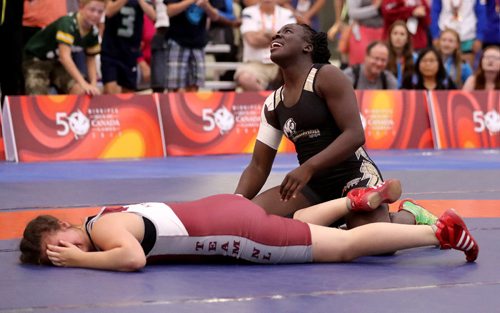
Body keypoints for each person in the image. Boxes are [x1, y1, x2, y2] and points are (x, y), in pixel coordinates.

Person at [234, 23, 436, 230]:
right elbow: (258, 166)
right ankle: (338, 222)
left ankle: (412, 213)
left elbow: (355, 134)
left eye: (287, 31)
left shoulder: (327, 76)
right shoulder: (273, 104)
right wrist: (236, 201)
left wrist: (308, 167)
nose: (277, 34)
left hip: (354, 176)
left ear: (307, 47)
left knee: (373, 239)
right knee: (248, 218)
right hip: (312, 186)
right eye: (278, 32)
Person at [19, 180, 479, 271]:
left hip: (237, 231)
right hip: (224, 209)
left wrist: (80, 260)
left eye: (56, 246)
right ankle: (350, 199)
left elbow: (134, 258)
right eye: (52, 259)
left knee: (343, 247)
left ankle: (437, 233)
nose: (60, 256)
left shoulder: (100, 233)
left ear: (63, 225)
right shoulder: (106, 212)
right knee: (300, 220)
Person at [23, 0, 106, 96]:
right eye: (92, 10)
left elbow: (91, 60)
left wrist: (93, 84)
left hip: (57, 62)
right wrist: (84, 84)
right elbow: (64, 57)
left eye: (100, 12)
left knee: (82, 91)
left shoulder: (93, 32)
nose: (95, 15)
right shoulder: (67, 23)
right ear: (81, 7)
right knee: (37, 96)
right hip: (36, 60)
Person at [153, 0, 220, 92]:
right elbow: (168, 11)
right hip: (177, 41)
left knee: (195, 86)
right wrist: (190, 1)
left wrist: (206, 6)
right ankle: (175, 106)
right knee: (175, 87)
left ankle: (191, 106)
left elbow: (216, 17)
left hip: (198, 44)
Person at [234, 0, 296, 91]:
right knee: (245, 78)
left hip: (281, 64)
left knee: (300, 74)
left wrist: (264, 33)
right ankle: (269, 101)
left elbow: (291, 41)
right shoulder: (248, 12)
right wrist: (278, 37)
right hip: (256, 64)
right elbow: (252, 40)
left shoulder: (287, 14)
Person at [100, 0, 156, 94]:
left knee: (128, 90)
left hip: (130, 52)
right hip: (111, 50)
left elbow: (153, 16)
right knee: (111, 88)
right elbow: (109, 12)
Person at [430, 0, 486, 68]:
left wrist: (479, 37)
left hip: (468, 35)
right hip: (445, 34)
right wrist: (435, 35)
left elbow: (481, 14)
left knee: (466, 67)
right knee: (443, 65)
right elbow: (434, 13)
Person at [342, 0, 385, 66]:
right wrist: (375, 8)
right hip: (361, 33)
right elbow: (352, 13)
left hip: (383, 33)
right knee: (360, 66)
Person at [386, 20, 416, 88]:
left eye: (402, 34)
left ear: (407, 39)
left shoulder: (415, 58)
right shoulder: (383, 57)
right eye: (395, 33)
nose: (398, 37)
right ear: (390, 36)